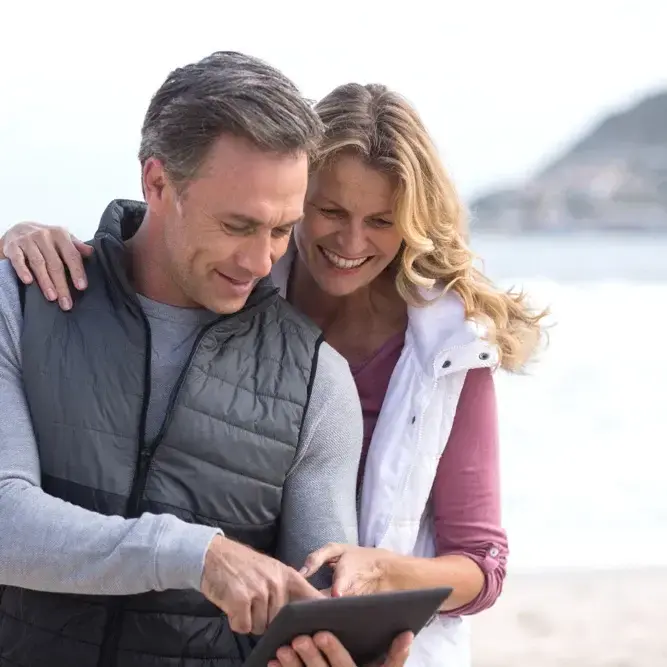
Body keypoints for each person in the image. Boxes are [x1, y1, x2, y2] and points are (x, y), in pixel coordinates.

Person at [1, 82, 548, 667]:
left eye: (381, 220)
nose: (260, 259)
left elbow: (466, 563)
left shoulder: (372, 366)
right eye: (328, 212)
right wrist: (23, 243)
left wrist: (363, 620)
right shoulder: (34, 296)